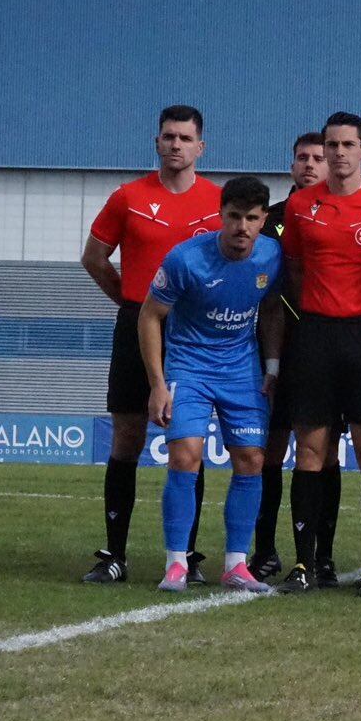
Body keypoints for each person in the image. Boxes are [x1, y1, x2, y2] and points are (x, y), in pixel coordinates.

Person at [79, 104, 221, 584]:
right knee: (127, 437)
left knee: (188, 444)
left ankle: (187, 556)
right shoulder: (128, 198)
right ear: (157, 142)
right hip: (137, 323)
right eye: (168, 137)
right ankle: (113, 555)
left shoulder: (217, 205)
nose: (176, 145)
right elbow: (94, 257)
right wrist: (127, 299)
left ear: (201, 146)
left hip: (192, 334)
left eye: (185, 138)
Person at [276, 110, 361, 598]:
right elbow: (293, 270)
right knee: (311, 451)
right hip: (313, 336)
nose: (337, 153)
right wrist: (314, 314)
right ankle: (304, 564)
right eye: (331, 145)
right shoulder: (300, 206)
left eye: (347, 145)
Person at [138, 176, 285, 594]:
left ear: (263, 221)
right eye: (234, 217)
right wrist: (158, 384)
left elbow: (273, 308)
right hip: (190, 367)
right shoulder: (186, 260)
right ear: (221, 216)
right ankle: (176, 563)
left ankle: (237, 565)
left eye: (252, 218)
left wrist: (271, 368)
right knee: (186, 456)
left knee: (252, 460)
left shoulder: (272, 257)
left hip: (241, 370)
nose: (242, 227)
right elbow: (149, 317)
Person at [250, 132, 347, 585]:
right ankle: (264, 550)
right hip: (271, 349)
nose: (310, 164)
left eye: (317, 157)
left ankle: (321, 556)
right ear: (291, 166)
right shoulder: (267, 219)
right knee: (266, 452)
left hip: (327, 348)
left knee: (323, 455)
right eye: (302, 158)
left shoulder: (339, 215)